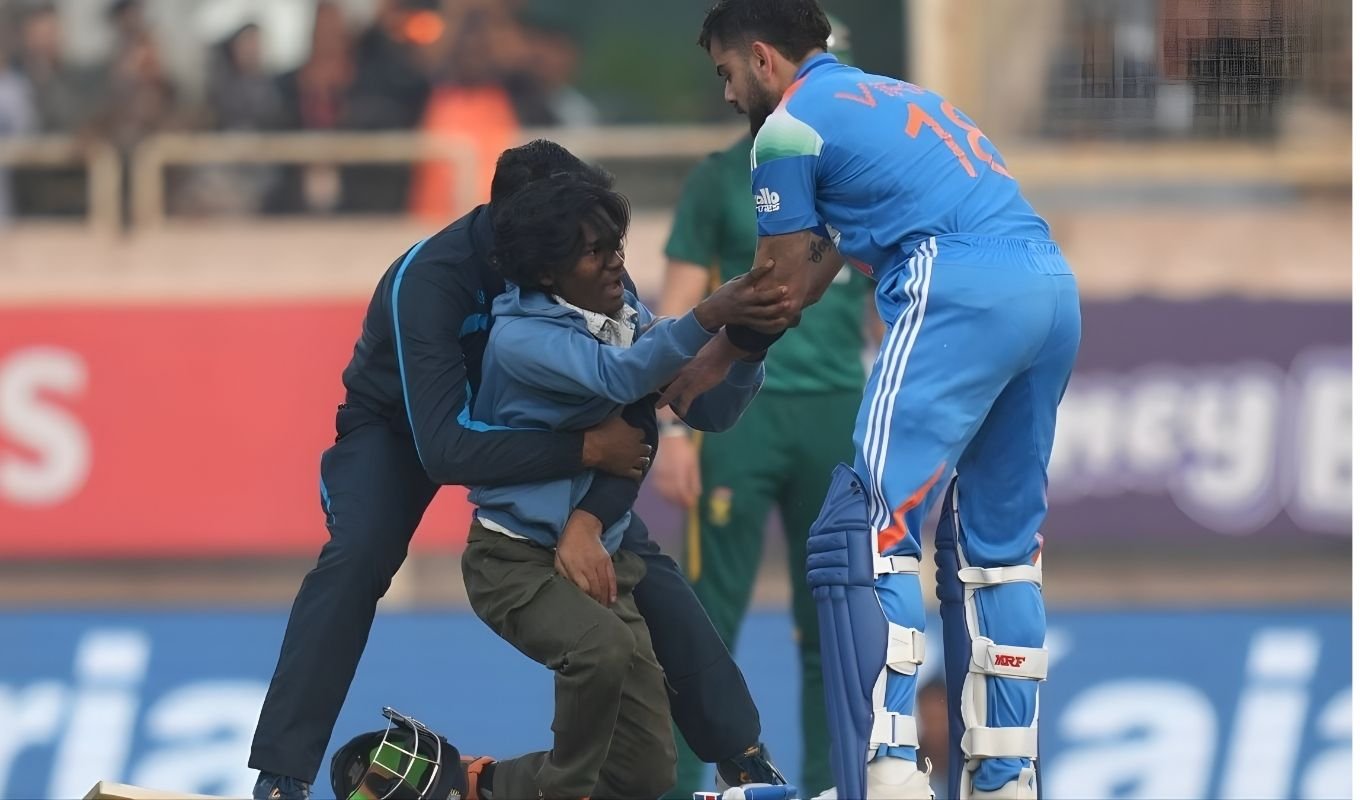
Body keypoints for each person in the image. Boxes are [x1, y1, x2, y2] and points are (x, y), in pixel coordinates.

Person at [249, 140, 786, 800]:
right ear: (520, 227)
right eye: (580, 231)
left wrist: (741, 347)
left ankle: (744, 756)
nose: (602, 248)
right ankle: (282, 775)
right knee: (359, 557)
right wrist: (588, 452)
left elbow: (654, 392)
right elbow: (445, 448)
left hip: (537, 424)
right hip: (403, 427)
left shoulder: (580, 258)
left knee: (637, 560)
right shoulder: (431, 280)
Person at [672, 2, 1083, 798]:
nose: (726, 95)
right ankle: (1006, 776)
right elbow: (818, 263)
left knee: (872, 524)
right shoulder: (905, 99)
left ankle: (890, 765)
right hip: (1050, 287)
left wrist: (709, 356)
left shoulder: (787, 127)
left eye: (725, 74)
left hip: (955, 284)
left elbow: (777, 285)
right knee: (1001, 555)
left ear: (762, 59)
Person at [458, 175, 778, 800]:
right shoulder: (523, 338)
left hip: (604, 552)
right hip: (515, 560)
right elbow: (620, 377)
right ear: (548, 273)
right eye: (594, 252)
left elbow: (708, 410)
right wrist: (711, 312)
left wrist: (745, 343)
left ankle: (483, 786)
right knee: (600, 647)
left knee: (645, 774)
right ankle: (564, 793)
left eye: (616, 246)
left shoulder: (623, 316)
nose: (615, 264)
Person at [652, 16, 876, 797]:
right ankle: (681, 784)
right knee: (703, 621)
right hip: (740, 417)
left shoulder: (852, 158)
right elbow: (679, 301)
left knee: (838, 618)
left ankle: (830, 783)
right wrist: (670, 427)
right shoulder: (720, 176)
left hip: (835, 410)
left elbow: (876, 295)